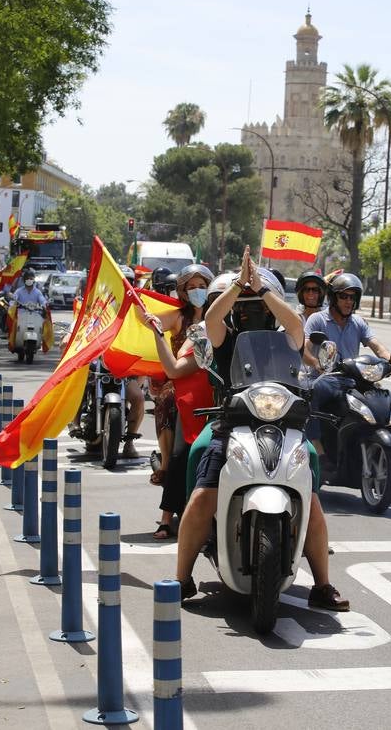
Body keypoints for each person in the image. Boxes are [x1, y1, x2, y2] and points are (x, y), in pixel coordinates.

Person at [175, 245, 350, 611]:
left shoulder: (287, 339)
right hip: (231, 424)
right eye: (245, 304)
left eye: (259, 304)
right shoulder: (224, 340)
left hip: (285, 427)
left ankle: (322, 583)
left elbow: (297, 325)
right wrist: (239, 285)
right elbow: (210, 321)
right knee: (202, 492)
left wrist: (264, 288)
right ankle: (181, 577)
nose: (251, 309)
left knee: (313, 500)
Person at [303, 271, 391, 479]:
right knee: (310, 392)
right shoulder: (317, 320)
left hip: (353, 381)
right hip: (325, 379)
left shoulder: (357, 323)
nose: (348, 301)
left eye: (352, 297)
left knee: (385, 404)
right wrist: (317, 364)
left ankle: (382, 461)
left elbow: (376, 345)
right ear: (333, 297)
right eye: (344, 296)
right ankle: (318, 450)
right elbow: (303, 349)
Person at [147, 265, 214, 493]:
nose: (197, 291)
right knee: (168, 398)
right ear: (183, 292)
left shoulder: (218, 316)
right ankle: (166, 465)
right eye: (192, 287)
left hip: (214, 378)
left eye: (202, 287)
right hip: (180, 378)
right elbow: (150, 320)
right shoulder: (178, 316)